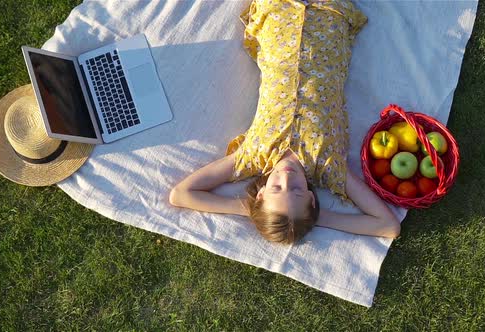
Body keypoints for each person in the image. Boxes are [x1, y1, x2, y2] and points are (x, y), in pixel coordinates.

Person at [169, 0, 400, 244]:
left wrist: (254, 211)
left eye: (276, 188)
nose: (287, 179)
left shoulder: (253, 157)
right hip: (328, 14)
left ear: (260, 195)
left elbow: (181, 194)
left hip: (279, 12)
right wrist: (316, 217)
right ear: (312, 199)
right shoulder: (328, 167)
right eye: (297, 190)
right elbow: (387, 226)